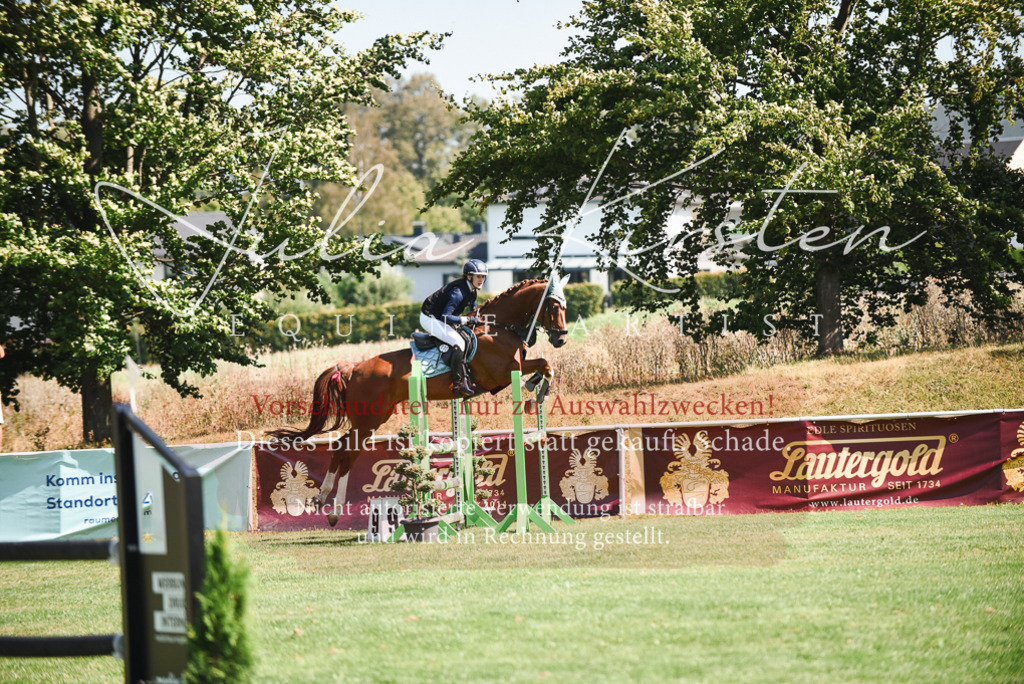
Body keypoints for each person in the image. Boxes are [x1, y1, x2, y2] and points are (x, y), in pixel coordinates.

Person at [420, 260, 487, 396]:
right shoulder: (458, 293)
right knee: (459, 343)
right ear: (469, 277)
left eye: (483, 276)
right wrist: (467, 319)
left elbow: (473, 309)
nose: (481, 280)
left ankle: (468, 377)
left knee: (469, 337)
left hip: (440, 317)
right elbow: (445, 317)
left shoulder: (472, 290)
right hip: (430, 319)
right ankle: (458, 384)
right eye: (478, 276)